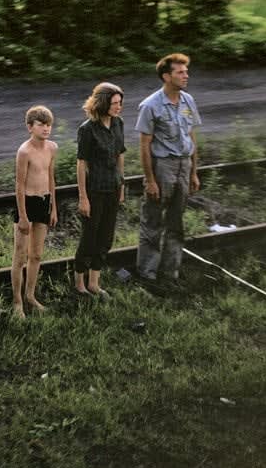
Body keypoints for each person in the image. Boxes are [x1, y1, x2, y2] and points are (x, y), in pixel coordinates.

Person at [135, 53, 201, 289]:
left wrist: (194, 171)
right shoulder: (151, 105)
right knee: (153, 221)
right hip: (162, 167)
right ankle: (147, 275)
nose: (186, 76)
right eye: (180, 72)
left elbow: (191, 136)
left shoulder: (188, 101)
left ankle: (170, 274)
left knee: (176, 222)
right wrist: (150, 180)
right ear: (166, 76)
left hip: (184, 165)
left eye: (186, 71)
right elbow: (144, 145)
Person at [73, 83, 126, 300]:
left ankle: (94, 283)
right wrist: (83, 197)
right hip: (94, 191)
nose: (118, 107)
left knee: (105, 238)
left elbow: (119, 155)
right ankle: (79, 285)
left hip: (112, 188)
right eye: (114, 103)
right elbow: (81, 164)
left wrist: (121, 186)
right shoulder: (87, 129)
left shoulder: (118, 123)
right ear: (103, 103)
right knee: (89, 238)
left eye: (120, 103)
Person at [11, 105, 58, 318]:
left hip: (44, 202)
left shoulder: (52, 148)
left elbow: (51, 178)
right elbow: (19, 185)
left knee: (36, 254)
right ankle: (17, 302)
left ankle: (30, 295)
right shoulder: (24, 151)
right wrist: (22, 216)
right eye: (41, 125)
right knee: (20, 256)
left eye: (48, 124)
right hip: (26, 204)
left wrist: (53, 208)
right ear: (30, 127)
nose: (46, 128)